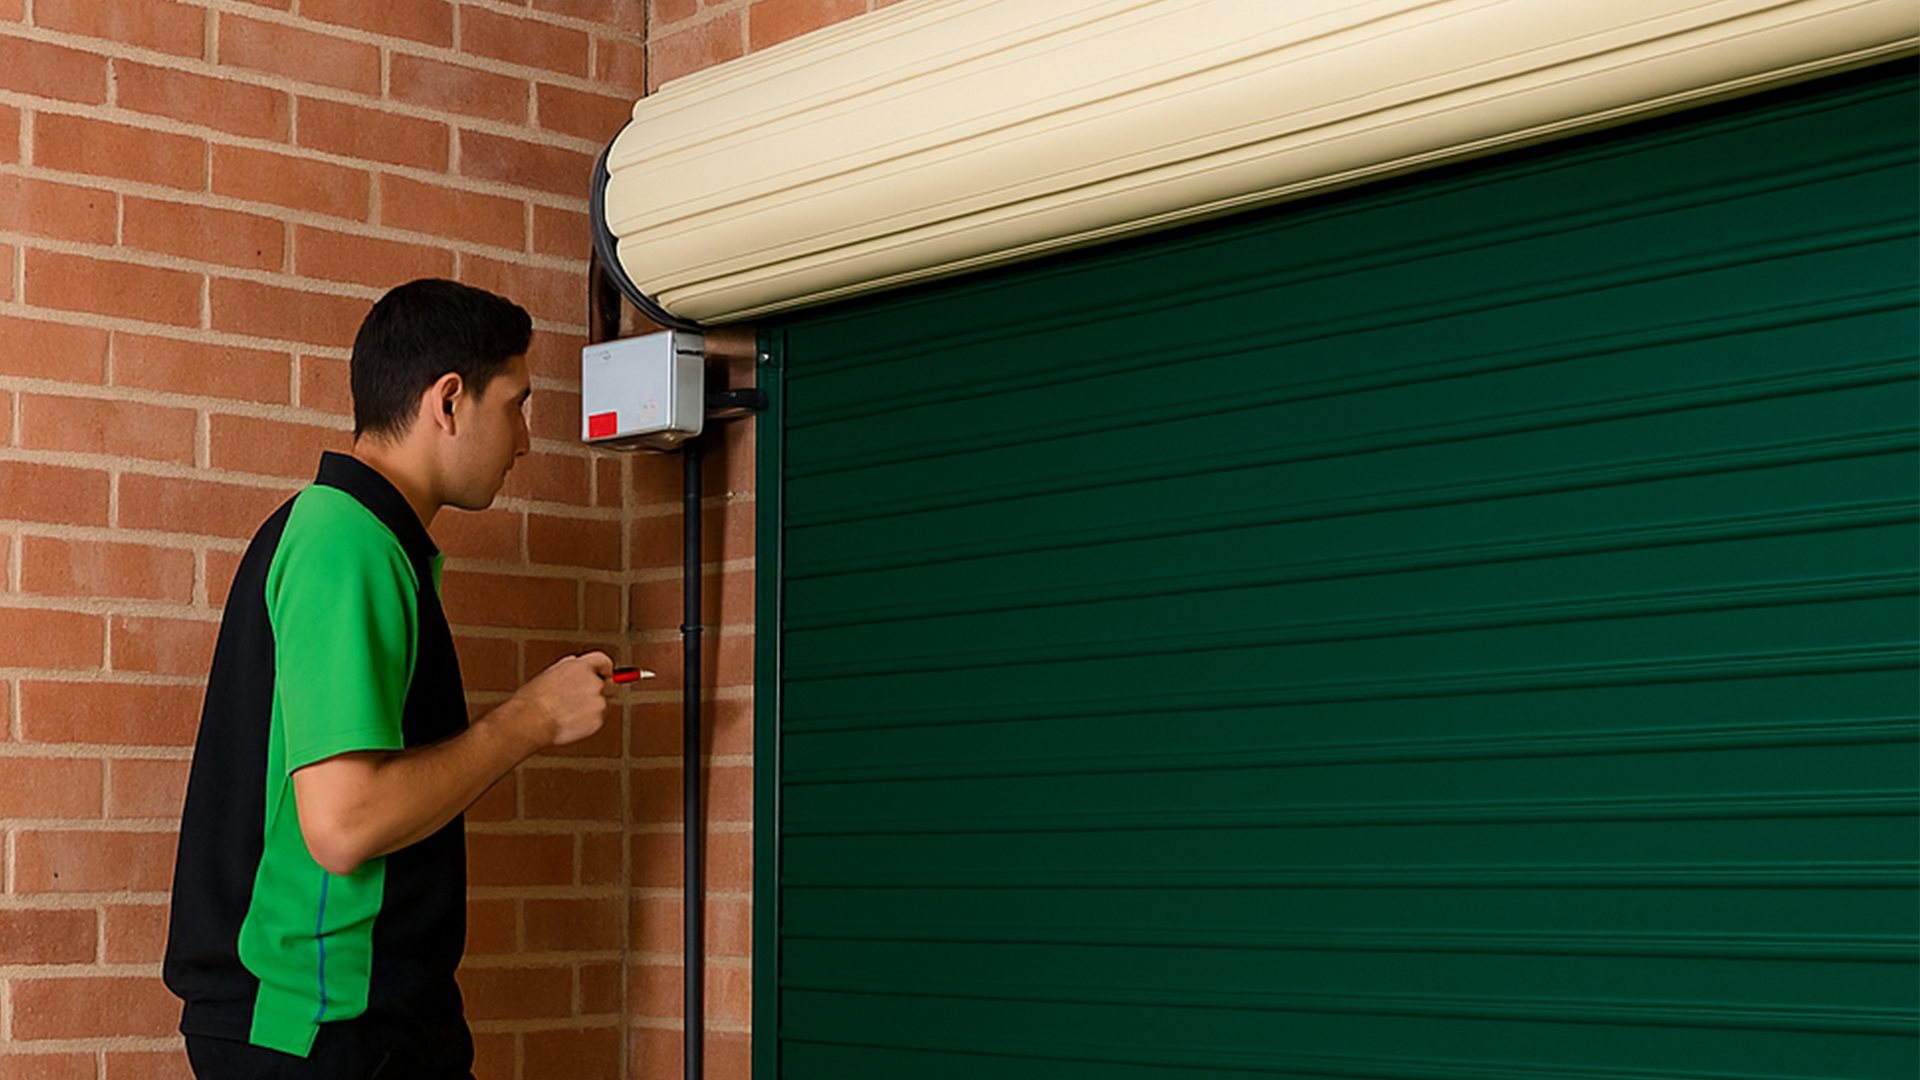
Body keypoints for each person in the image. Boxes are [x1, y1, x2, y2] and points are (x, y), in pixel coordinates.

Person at [163, 279, 616, 1079]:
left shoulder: (360, 540)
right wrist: (530, 720)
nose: (525, 441)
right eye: (516, 403)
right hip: (326, 1032)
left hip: (350, 1028)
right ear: (449, 401)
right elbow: (345, 824)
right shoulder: (348, 543)